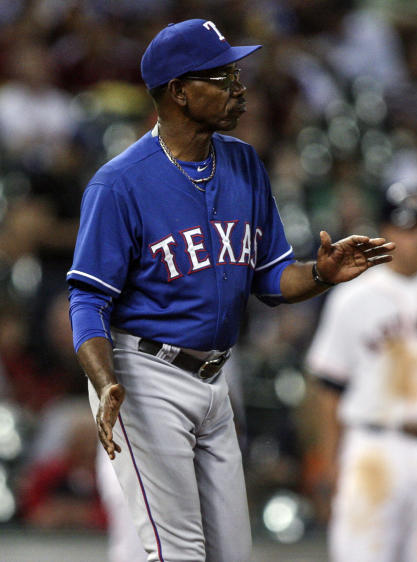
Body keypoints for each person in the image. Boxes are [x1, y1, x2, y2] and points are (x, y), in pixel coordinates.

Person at [67, 18, 395, 562]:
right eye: (221, 78)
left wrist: (320, 273)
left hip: (216, 379)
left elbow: (269, 276)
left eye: (236, 74)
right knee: (178, 552)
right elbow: (88, 298)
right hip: (144, 373)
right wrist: (104, 383)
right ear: (178, 92)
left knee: (232, 555)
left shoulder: (242, 162)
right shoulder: (120, 183)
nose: (238, 88)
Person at [306, 184, 417, 561]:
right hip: (373, 447)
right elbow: (327, 385)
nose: (414, 238)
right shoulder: (354, 294)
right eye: (406, 227)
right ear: (386, 229)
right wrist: (327, 462)